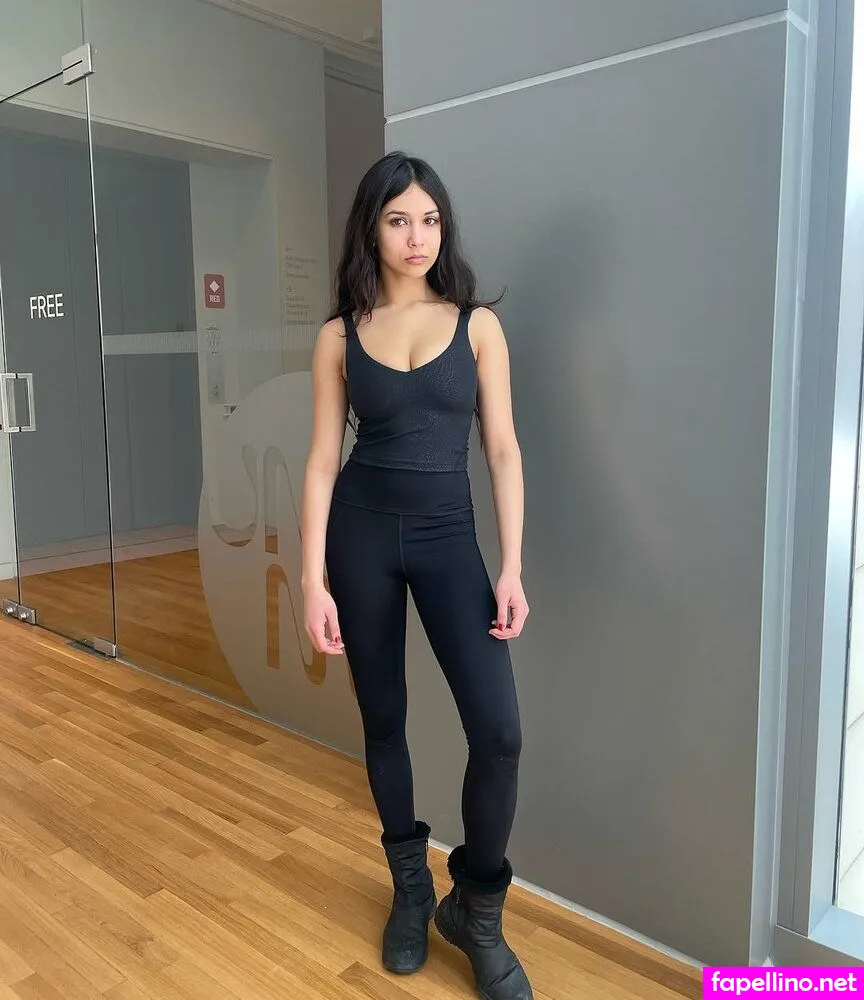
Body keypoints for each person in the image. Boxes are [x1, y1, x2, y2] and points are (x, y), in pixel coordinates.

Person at [300, 150, 532, 1000]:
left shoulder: (477, 327)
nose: (417, 236)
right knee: (384, 719)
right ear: (372, 228)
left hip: (447, 539)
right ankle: (409, 890)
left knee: (499, 734)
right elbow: (322, 461)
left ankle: (476, 912)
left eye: (429, 219)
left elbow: (501, 450)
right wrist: (312, 580)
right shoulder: (338, 336)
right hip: (360, 537)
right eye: (399, 219)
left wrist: (511, 567)